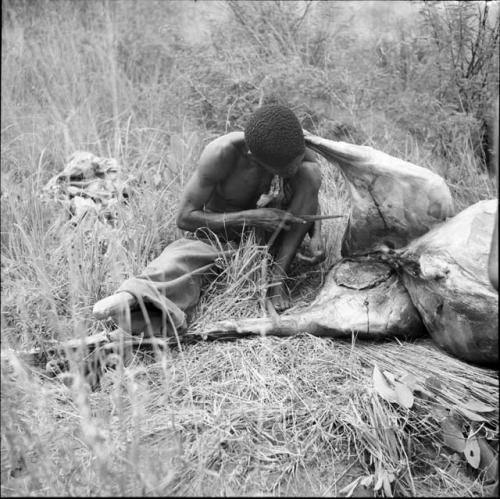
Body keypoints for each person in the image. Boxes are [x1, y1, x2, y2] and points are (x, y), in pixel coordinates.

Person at [93, 105, 325, 336]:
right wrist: (252, 218)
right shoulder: (221, 154)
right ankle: (135, 295)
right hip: (222, 237)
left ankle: (277, 278)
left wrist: (316, 235)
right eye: (286, 169)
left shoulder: (290, 145)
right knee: (181, 259)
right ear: (253, 157)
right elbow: (185, 218)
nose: (294, 168)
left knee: (310, 173)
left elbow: (309, 193)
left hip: (273, 234)